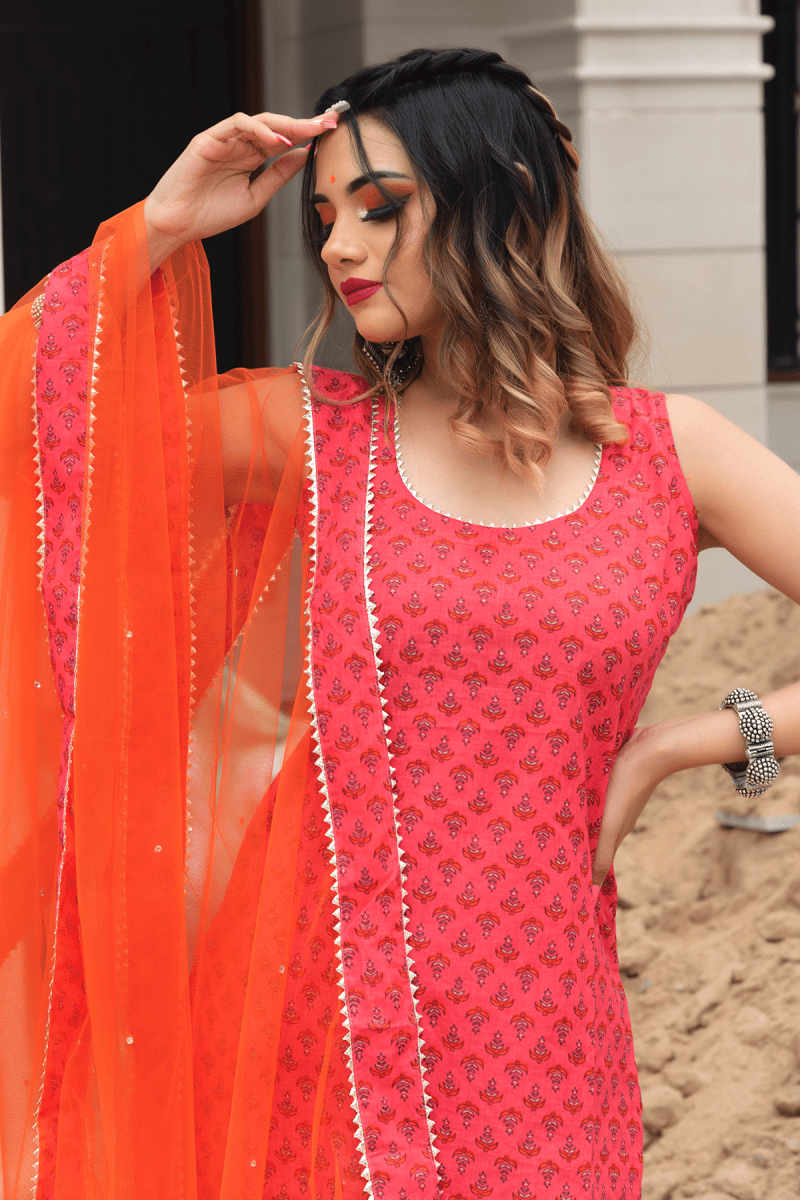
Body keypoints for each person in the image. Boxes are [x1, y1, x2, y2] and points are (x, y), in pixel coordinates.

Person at [1, 46, 798, 1200]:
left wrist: (684, 745)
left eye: (379, 207)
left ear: (506, 199)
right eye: (325, 216)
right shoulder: (312, 439)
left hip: (542, 1042)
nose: (336, 246)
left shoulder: (666, 459)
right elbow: (37, 434)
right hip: (307, 1034)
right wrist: (164, 223)